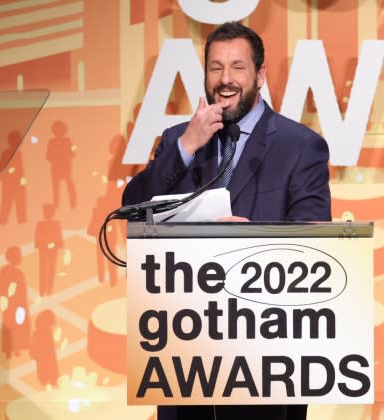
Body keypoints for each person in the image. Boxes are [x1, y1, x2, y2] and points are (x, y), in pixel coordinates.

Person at [122, 21, 332, 420]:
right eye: (215, 68)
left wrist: (245, 244)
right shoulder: (178, 140)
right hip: (185, 352)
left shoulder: (300, 146)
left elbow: (314, 242)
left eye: (237, 67)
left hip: (266, 357)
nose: (225, 80)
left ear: (260, 75)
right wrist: (186, 146)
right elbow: (132, 206)